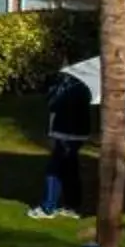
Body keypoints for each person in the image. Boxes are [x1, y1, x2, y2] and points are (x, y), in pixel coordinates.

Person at [33, 68, 93, 217]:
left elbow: (54, 102)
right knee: (70, 169)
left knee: (54, 169)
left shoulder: (69, 83)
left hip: (66, 131)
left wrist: (53, 89)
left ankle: (48, 208)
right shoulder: (84, 81)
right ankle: (72, 206)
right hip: (77, 131)